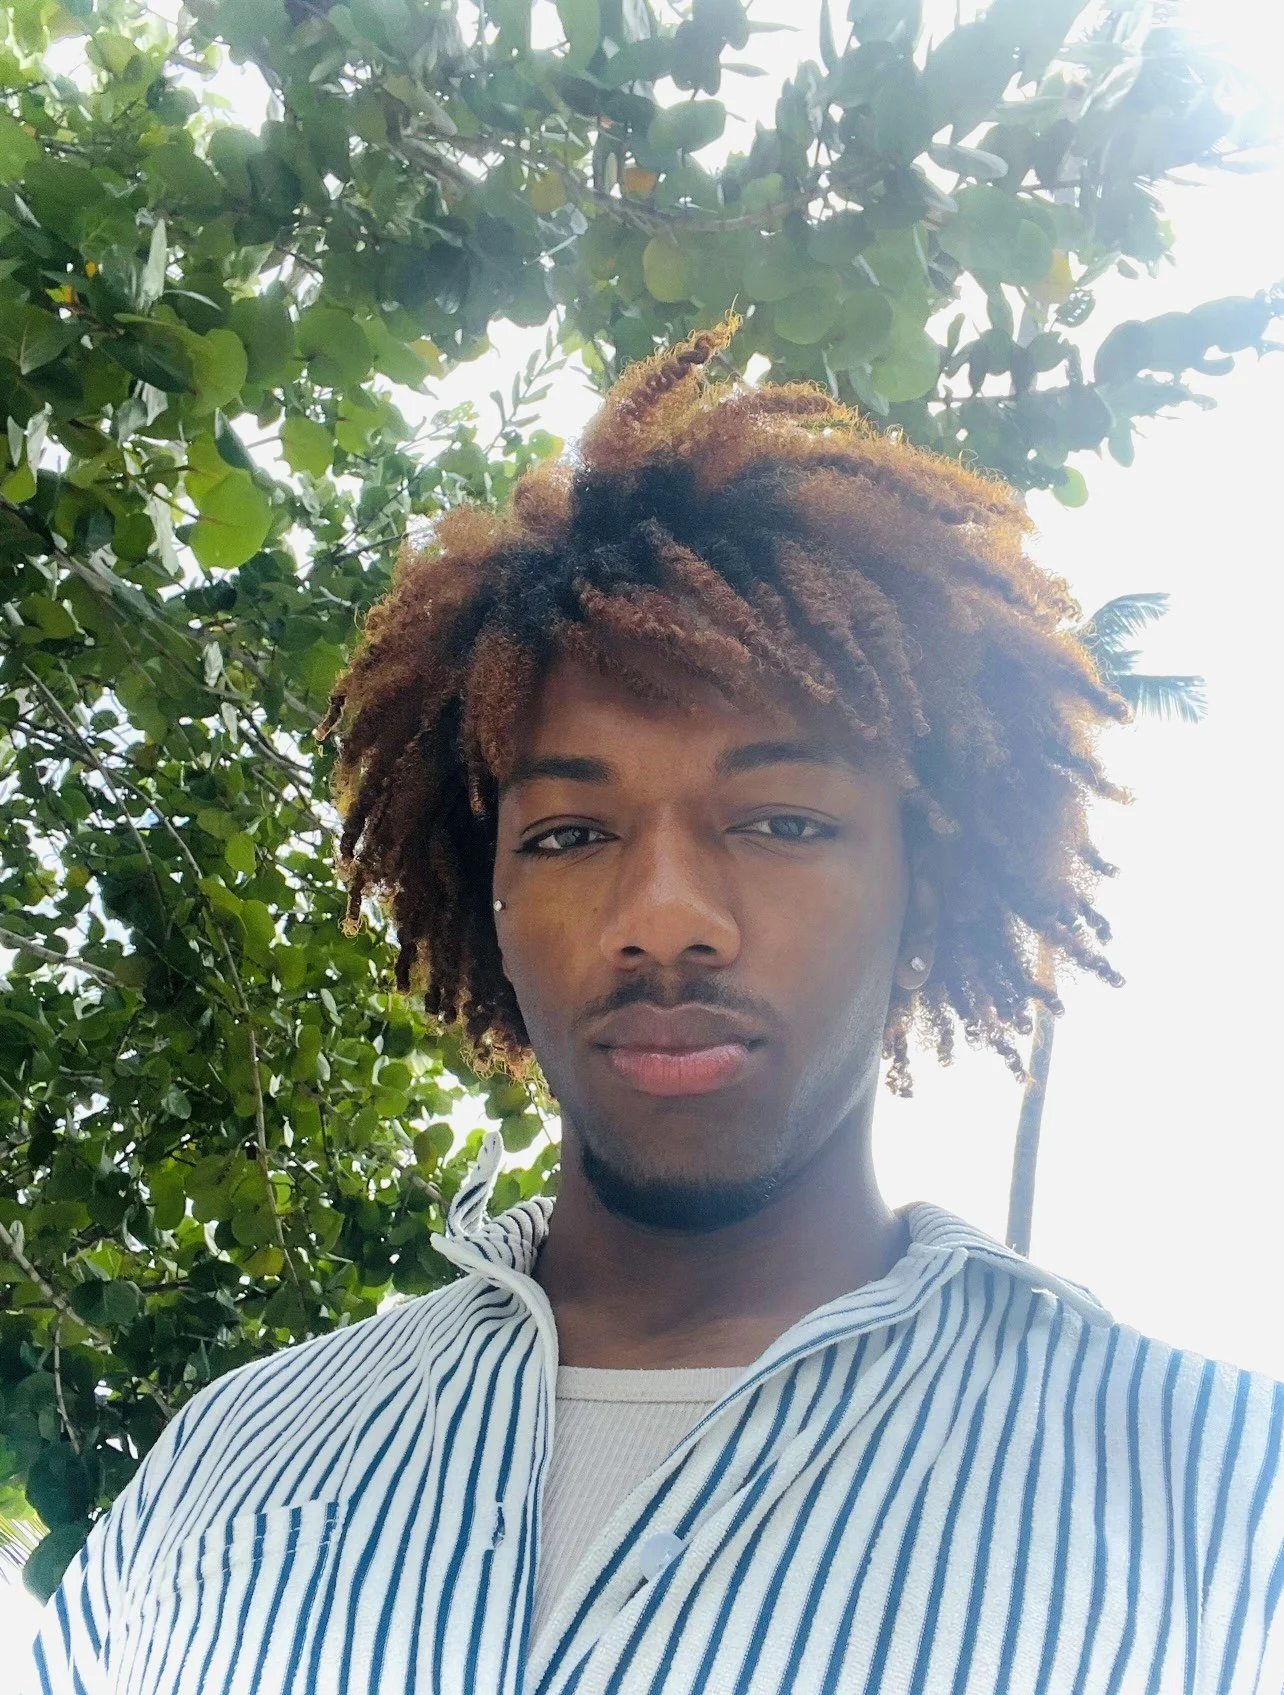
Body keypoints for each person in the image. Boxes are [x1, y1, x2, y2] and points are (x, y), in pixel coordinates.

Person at [32, 321, 1283, 1695]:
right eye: (570, 833)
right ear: (482, 894)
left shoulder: (1220, 1503)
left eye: (784, 817)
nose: (665, 913)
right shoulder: (234, 1467)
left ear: (924, 880)